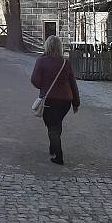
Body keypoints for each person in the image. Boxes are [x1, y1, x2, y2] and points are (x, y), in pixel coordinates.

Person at [30, 35, 80, 165]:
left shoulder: (41, 61)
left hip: (50, 99)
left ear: (47, 46)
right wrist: (76, 103)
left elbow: (35, 80)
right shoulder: (65, 62)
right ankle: (53, 146)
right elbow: (73, 83)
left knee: (52, 127)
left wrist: (44, 86)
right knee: (56, 124)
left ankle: (58, 155)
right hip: (65, 101)